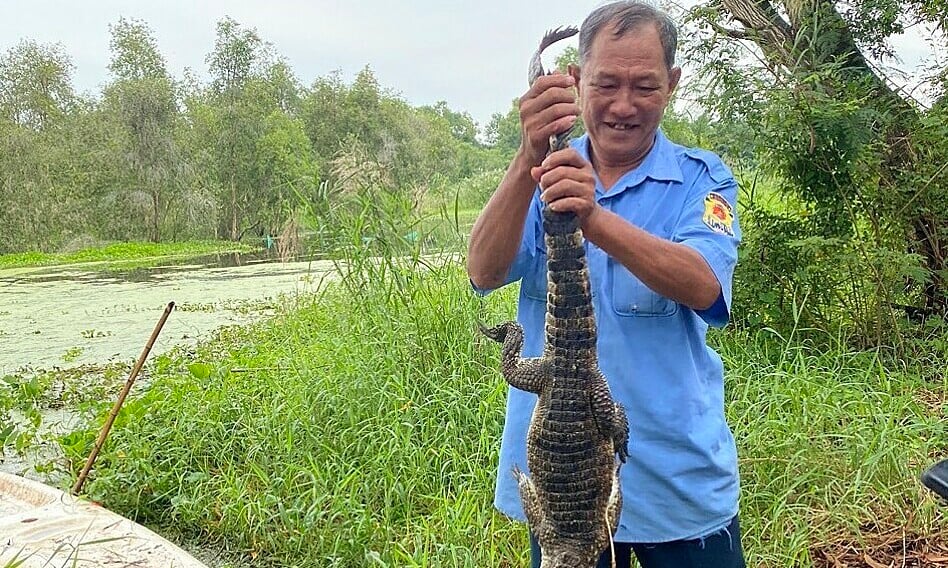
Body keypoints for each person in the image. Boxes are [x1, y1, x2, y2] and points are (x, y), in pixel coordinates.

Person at [467, 2, 746, 567]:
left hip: (678, 486)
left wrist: (593, 218)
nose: (623, 105)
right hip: (563, 493)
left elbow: (704, 284)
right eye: (606, 83)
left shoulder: (703, 178)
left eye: (645, 85)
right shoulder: (541, 172)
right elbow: (483, 270)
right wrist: (527, 161)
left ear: (672, 84)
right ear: (575, 80)